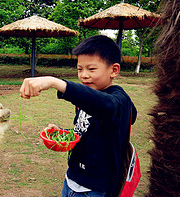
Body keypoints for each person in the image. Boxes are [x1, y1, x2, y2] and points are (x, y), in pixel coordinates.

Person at [19, 35, 137, 197]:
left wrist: (55, 82)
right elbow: (84, 131)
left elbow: (105, 106)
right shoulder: (84, 99)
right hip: (72, 178)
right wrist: (62, 133)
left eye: (91, 69)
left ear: (114, 70)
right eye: (80, 69)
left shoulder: (119, 100)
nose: (84, 75)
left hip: (95, 189)